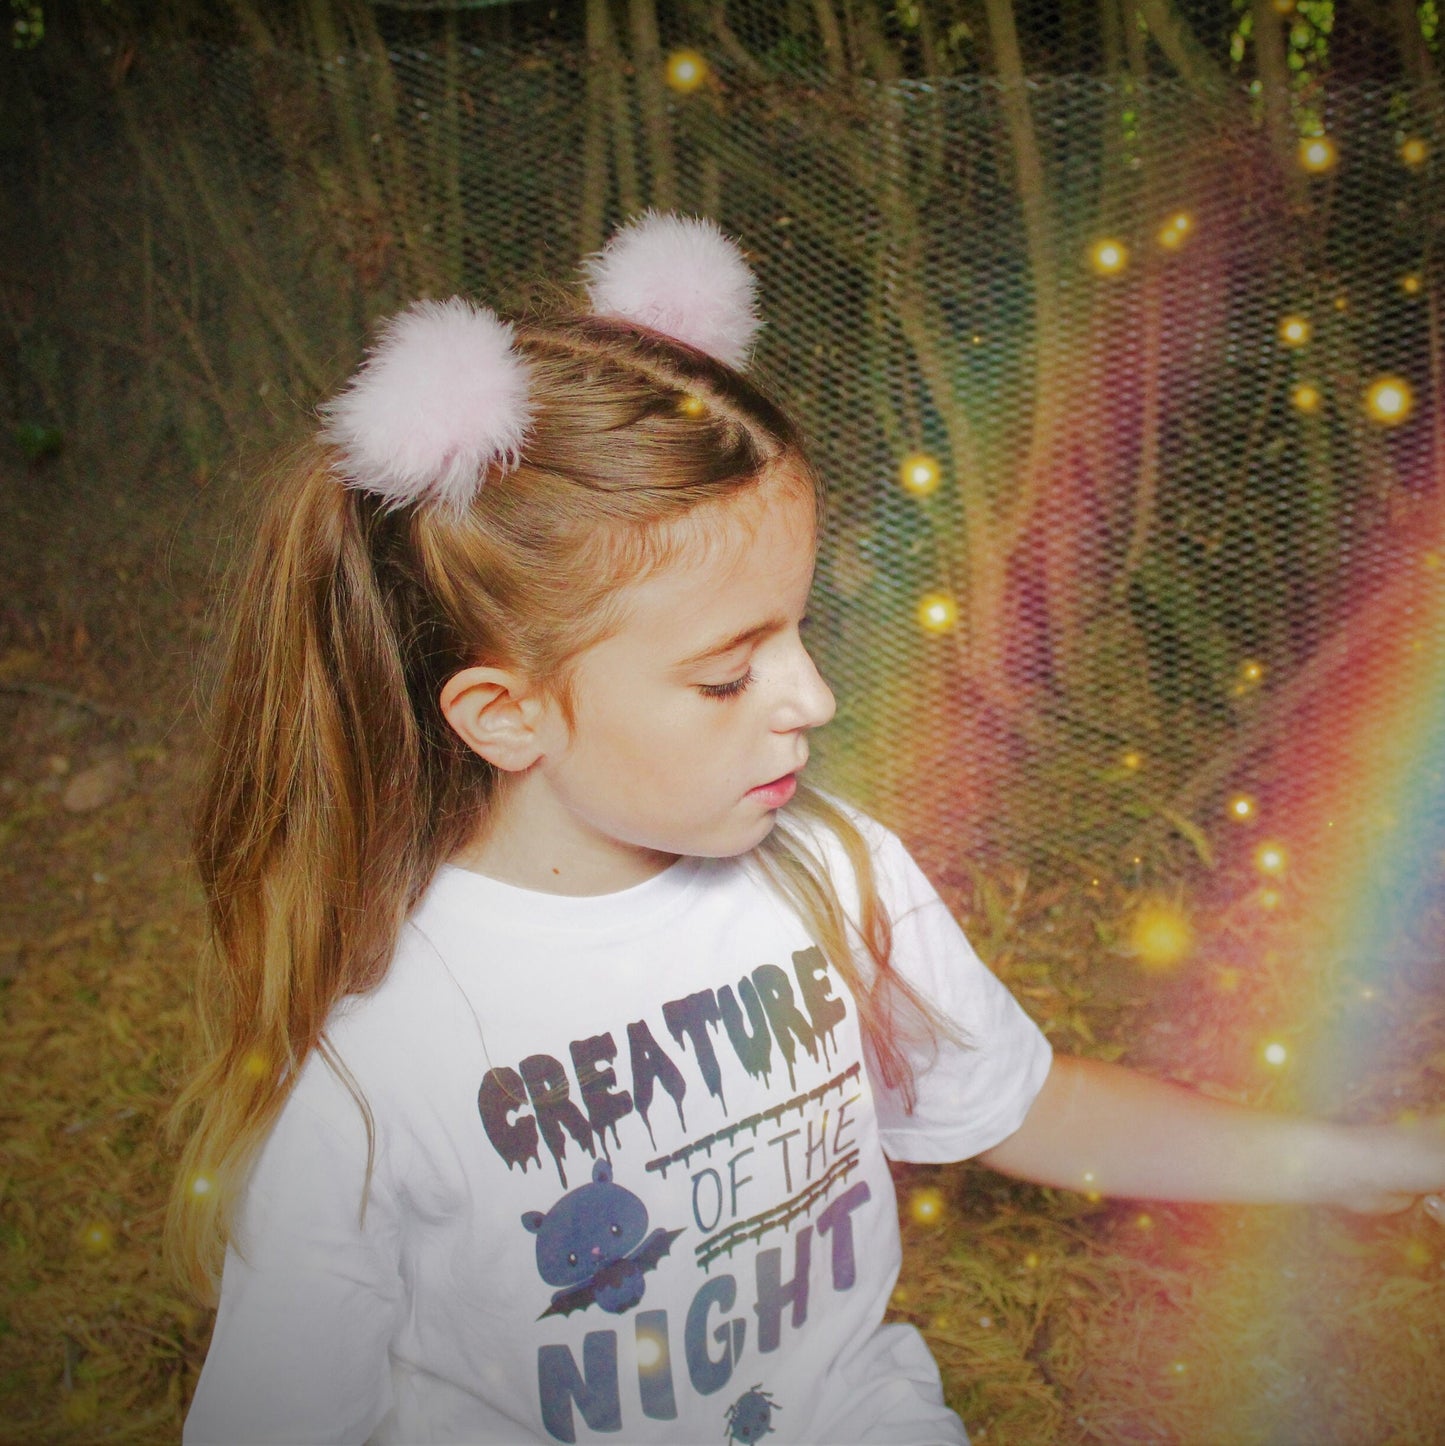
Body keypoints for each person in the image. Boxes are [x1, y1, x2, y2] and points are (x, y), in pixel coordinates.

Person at [172, 213, 1445, 1446]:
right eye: (727, 675)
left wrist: (1357, 1160)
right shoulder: (374, 1058)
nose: (812, 699)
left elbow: (1022, 1103)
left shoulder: (832, 872)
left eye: (796, 627)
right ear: (507, 715)